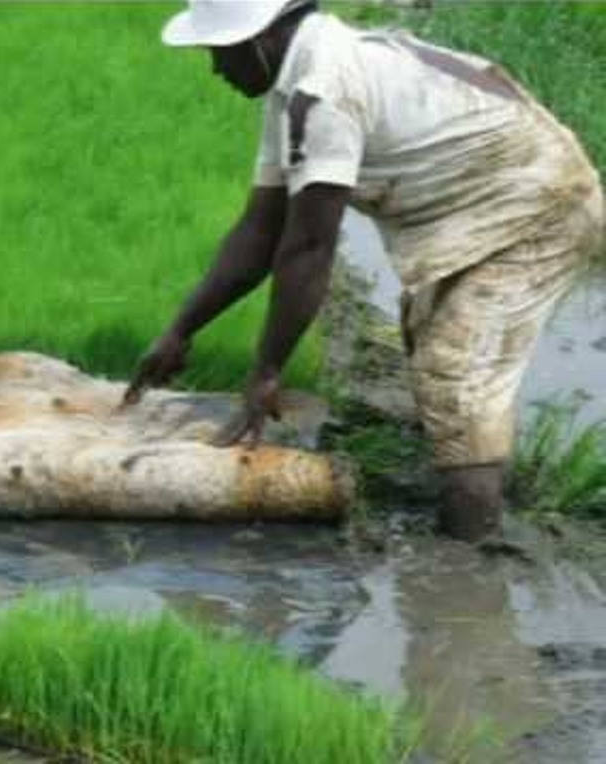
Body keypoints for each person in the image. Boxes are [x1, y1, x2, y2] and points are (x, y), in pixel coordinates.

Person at [122, 0, 604, 542]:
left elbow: (307, 248)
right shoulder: (296, 89)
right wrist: (181, 331)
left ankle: (468, 569)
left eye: (220, 52)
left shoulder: (325, 91)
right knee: (434, 344)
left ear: (261, 41)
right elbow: (261, 231)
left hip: (538, 208)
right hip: (482, 204)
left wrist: (266, 373)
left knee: (456, 377)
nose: (216, 68)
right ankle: (467, 484)